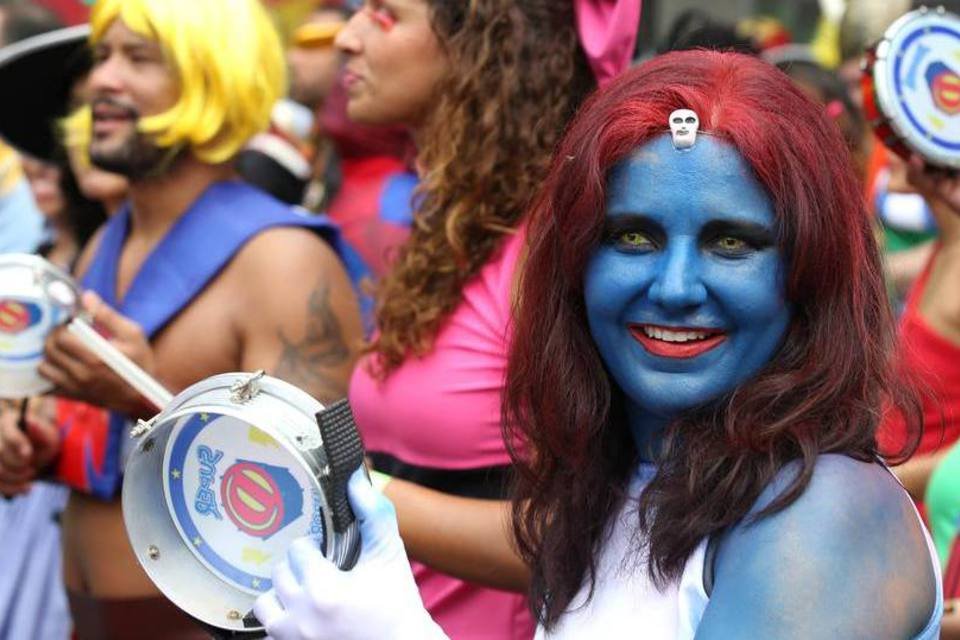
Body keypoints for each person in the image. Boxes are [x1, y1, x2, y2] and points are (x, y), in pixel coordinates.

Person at [253, 49, 941, 639]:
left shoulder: (821, 515)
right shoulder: (628, 480)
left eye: (731, 243)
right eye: (633, 236)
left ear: (808, 273)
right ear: (575, 266)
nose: (674, 287)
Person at [0, 0, 366, 637]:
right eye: (103, 56)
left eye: (138, 59)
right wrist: (38, 441)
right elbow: (105, 454)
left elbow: (325, 509)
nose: (102, 80)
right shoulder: (107, 240)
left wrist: (141, 395)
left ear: (213, 75)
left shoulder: (284, 261)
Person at [331, 1, 637, 638]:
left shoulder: (551, 244)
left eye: (384, 15)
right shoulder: (458, 222)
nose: (345, 37)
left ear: (483, 48)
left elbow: (591, 530)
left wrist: (353, 492)